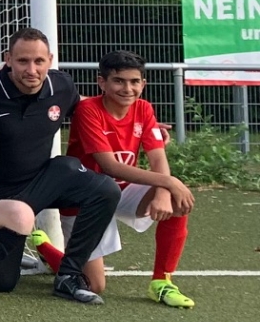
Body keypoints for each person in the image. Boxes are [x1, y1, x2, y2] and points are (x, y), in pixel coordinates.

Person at [0, 28, 119, 305]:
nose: (32, 70)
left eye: (39, 61)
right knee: (1, 283)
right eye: (23, 61)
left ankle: (69, 274)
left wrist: (138, 125)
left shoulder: (61, 86)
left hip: (40, 184)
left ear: (50, 60)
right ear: (8, 60)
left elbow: (88, 110)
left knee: (104, 189)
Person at [40, 49, 196, 307]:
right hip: (87, 201)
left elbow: (158, 159)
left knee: (177, 199)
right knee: (94, 285)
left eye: (134, 82)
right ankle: (46, 248)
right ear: (102, 82)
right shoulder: (88, 110)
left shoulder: (144, 108)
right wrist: (168, 182)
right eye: (119, 81)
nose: (127, 88)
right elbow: (110, 166)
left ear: (143, 84)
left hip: (122, 191)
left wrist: (164, 190)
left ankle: (162, 281)